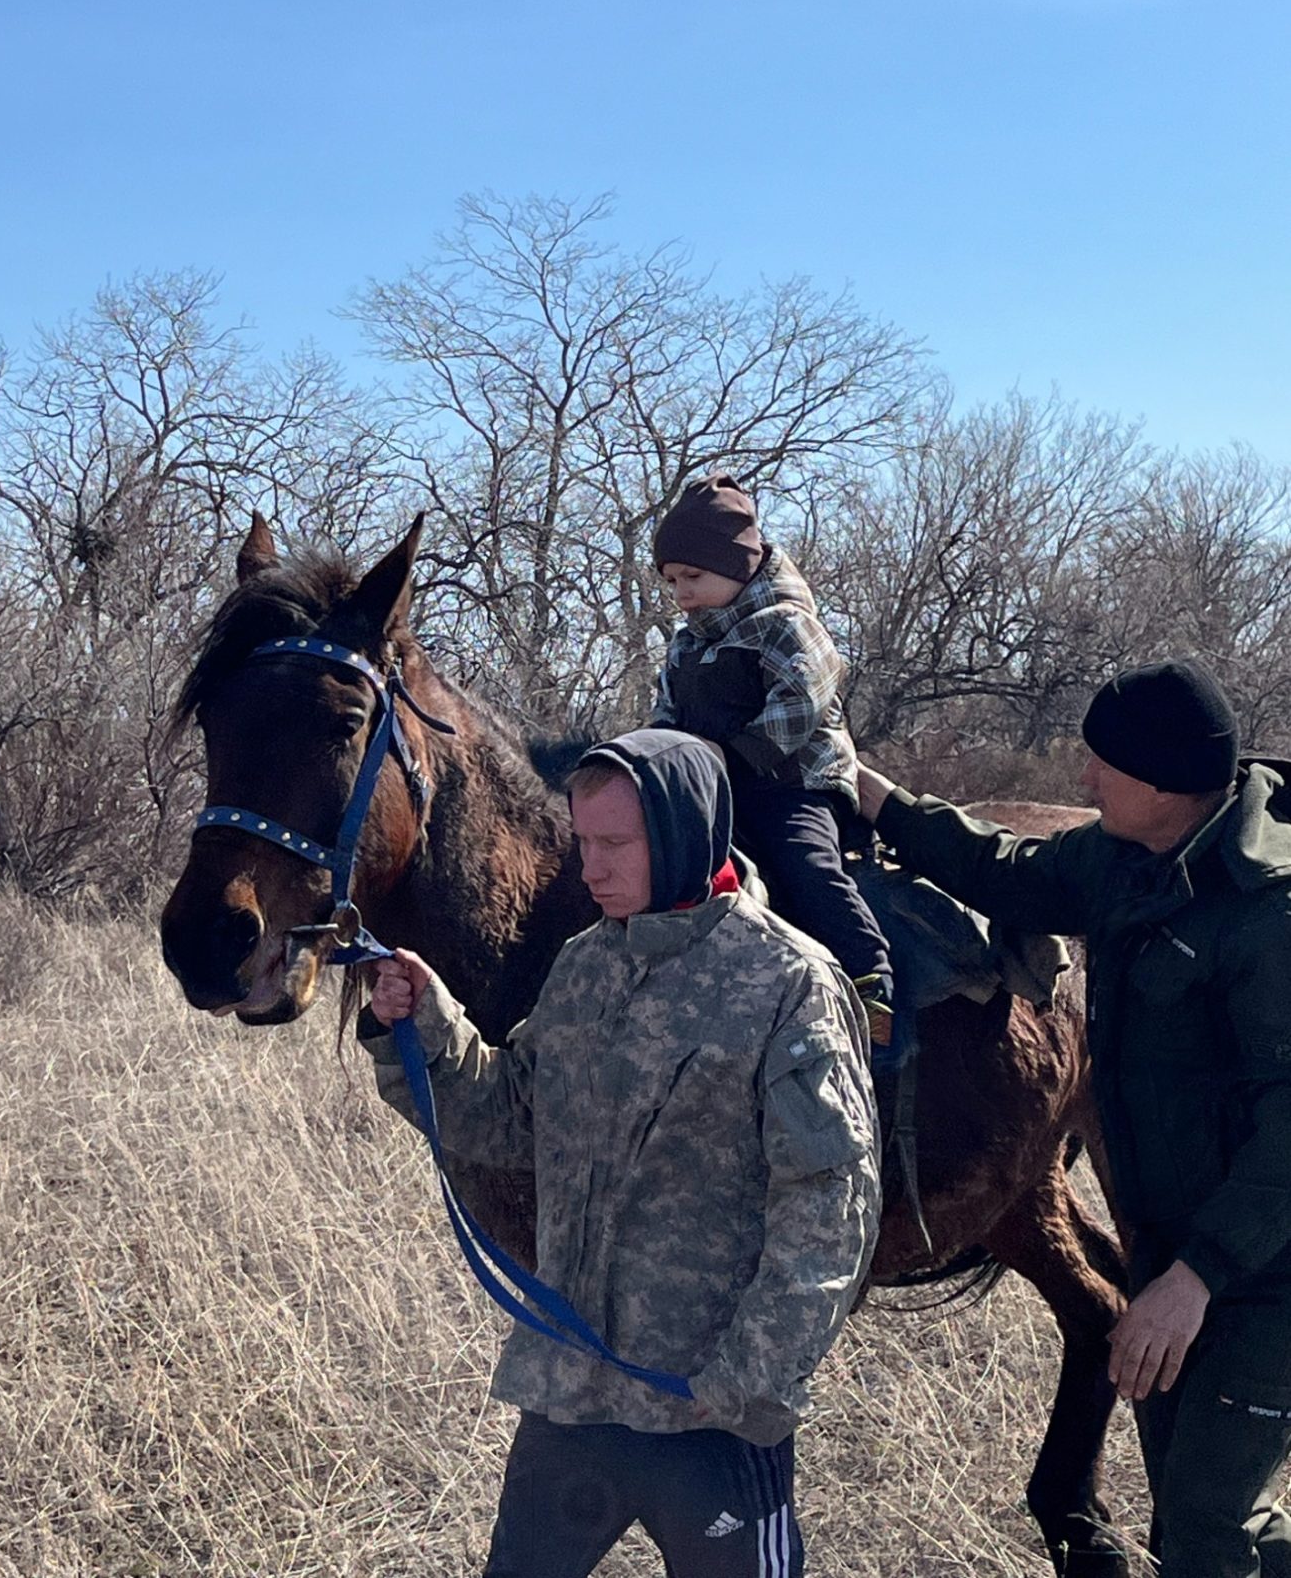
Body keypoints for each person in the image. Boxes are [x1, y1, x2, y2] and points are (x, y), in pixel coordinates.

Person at [362, 728, 880, 1578]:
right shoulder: (584, 965)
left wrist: (749, 1379)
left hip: (709, 1419)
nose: (590, 866)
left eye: (615, 843)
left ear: (681, 833)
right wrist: (426, 1023)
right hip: (572, 1398)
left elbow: (830, 1208)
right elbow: (509, 1118)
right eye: (582, 841)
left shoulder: (788, 981)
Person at [855, 658, 1291, 1578]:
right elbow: (1002, 869)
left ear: (1166, 784)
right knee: (1200, 1517)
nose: (1083, 780)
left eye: (1103, 764)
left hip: (1262, 1268)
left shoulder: (1270, 916)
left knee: (1206, 1540)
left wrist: (1193, 1278)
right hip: (1178, 1249)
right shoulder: (1127, 855)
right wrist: (880, 799)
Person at [650, 472, 896, 1042]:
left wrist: (732, 753)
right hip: (717, 787)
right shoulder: (685, 644)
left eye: (693, 575)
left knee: (802, 862)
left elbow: (803, 701)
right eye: (670, 580)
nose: (681, 592)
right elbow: (665, 714)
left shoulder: (786, 623)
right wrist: (655, 760)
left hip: (795, 784)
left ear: (737, 568)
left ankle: (868, 975)